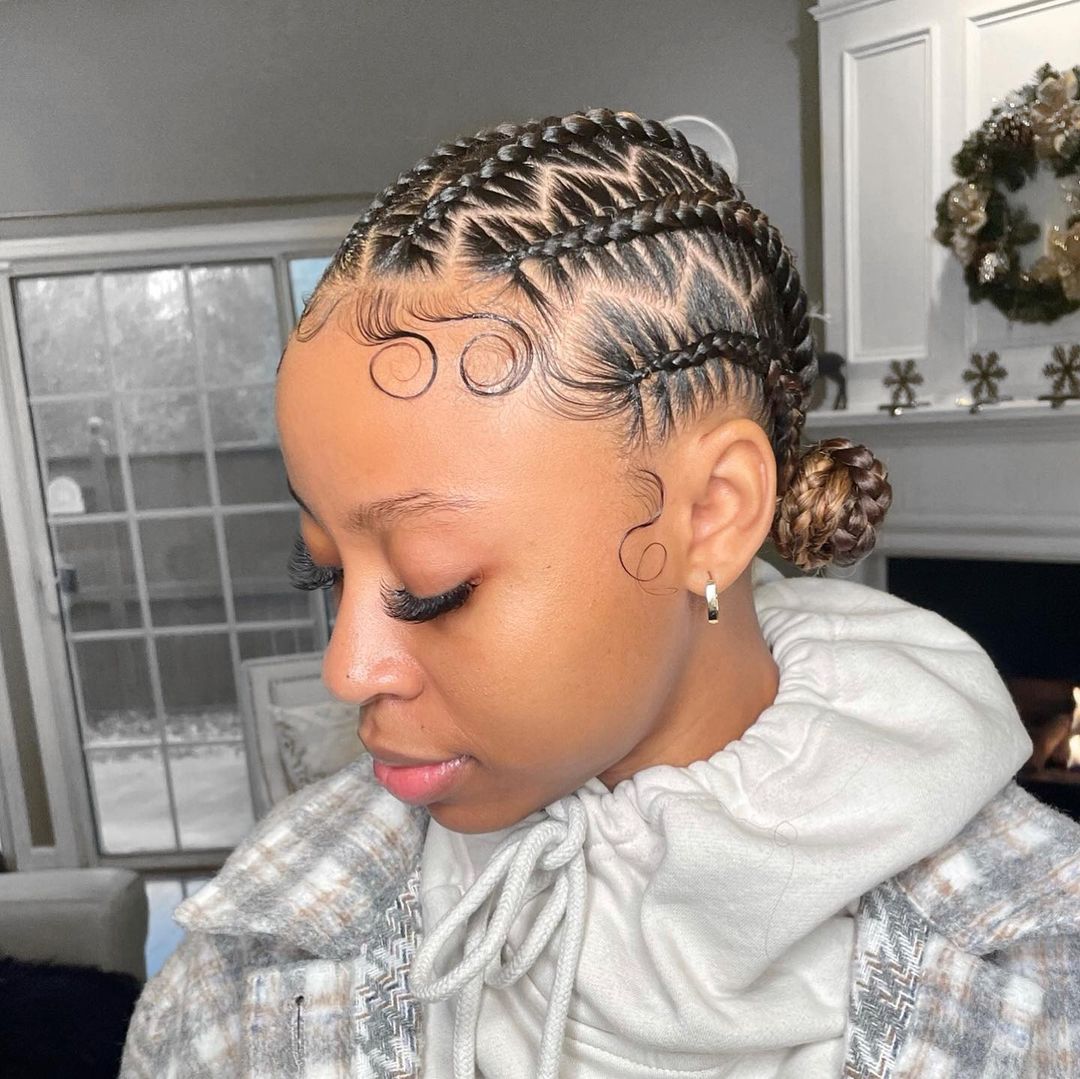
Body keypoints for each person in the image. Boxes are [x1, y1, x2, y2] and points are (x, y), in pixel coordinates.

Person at [120, 108, 1080, 1078]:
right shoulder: (248, 967)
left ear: (711, 515)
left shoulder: (1043, 983)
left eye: (432, 587)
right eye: (326, 570)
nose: (348, 667)